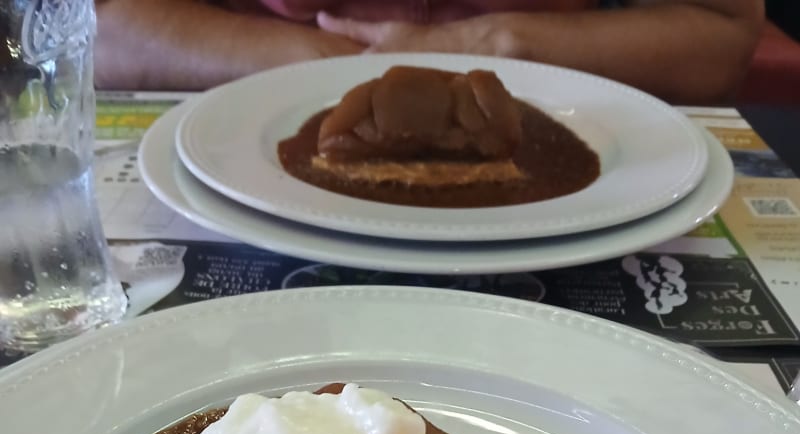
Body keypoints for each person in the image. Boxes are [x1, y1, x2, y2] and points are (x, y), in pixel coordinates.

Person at [95, 0, 764, 105]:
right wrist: (331, 62)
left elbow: (720, 32)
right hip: (251, 115)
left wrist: (487, 43)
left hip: (564, 108)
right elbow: (94, 25)